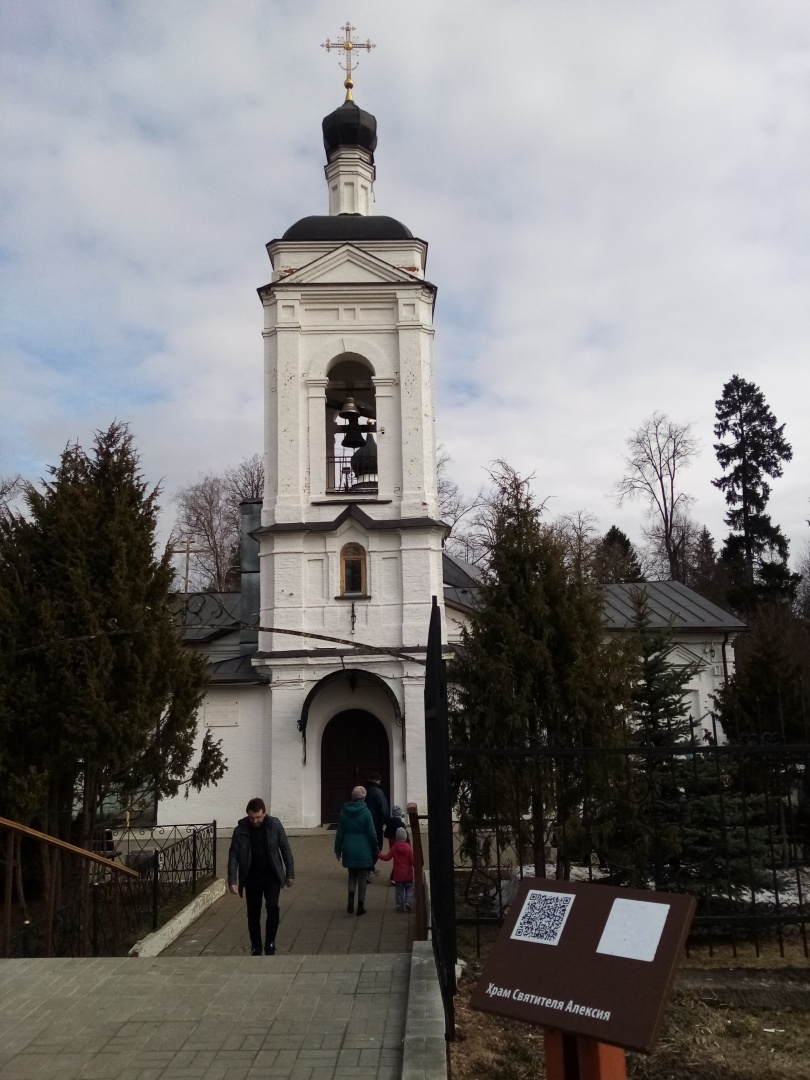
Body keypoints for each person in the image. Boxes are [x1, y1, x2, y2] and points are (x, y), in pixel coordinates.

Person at [227, 797, 294, 955]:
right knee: (253, 912)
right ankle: (256, 946)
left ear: (264, 813)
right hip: (251, 877)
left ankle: (270, 943)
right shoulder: (240, 830)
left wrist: (290, 873)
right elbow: (233, 856)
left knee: (272, 907)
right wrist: (233, 880)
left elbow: (285, 847)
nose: (255, 821)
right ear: (248, 815)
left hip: (271, 875)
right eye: (252, 817)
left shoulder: (274, 825)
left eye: (258, 817)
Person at [335, 785, 379, 916]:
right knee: (362, 877)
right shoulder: (366, 812)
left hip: (349, 847)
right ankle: (361, 904)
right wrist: (375, 847)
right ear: (363, 798)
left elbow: (340, 833)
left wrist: (338, 849)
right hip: (363, 848)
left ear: (352, 797)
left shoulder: (344, 812)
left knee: (352, 875)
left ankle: (350, 896)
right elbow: (372, 833)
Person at [377, 827, 414, 912]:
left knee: (399, 891)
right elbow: (413, 861)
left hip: (398, 875)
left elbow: (387, 857)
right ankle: (408, 901)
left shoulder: (394, 847)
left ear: (397, 837)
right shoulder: (409, 848)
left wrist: (378, 855)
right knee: (410, 888)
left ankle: (399, 906)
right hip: (408, 874)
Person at [364, 772, 389, 880]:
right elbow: (384, 809)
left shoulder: (363, 791)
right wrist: (388, 822)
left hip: (364, 824)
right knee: (377, 846)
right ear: (378, 781)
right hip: (376, 824)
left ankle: (370, 868)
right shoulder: (378, 792)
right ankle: (369, 870)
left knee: (366, 846)